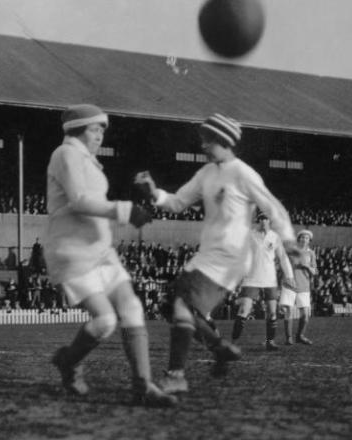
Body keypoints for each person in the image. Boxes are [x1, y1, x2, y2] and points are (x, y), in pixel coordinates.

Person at [133, 113, 298, 394]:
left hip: (230, 257)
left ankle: (176, 375)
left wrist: (289, 240)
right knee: (170, 306)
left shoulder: (243, 173)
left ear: (223, 140)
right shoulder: (206, 174)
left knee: (183, 308)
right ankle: (219, 347)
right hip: (207, 256)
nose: (203, 146)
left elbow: (273, 207)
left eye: (206, 140)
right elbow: (177, 202)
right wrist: (154, 193)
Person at [44, 104, 176, 407]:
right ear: (76, 129)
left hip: (101, 250)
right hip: (72, 252)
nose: (101, 134)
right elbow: (78, 200)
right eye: (95, 128)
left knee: (132, 307)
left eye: (103, 129)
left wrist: (127, 212)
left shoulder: (88, 161)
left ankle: (143, 386)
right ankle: (68, 361)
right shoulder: (65, 155)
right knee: (104, 321)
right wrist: (125, 210)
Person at [232, 213, 295, 350]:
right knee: (244, 309)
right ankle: (233, 342)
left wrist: (289, 276)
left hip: (269, 279)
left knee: (272, 312)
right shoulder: (250, 235)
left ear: (269, 221)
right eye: (260, 219)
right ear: (257, 222)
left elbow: (283, 257)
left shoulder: (275, 237)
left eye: (265, 219)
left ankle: (269, 341)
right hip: (251, 278)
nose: (262, 221)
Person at [278, 229, 317, 345]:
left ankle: (300, 336)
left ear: (309, 240)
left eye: (306, 238)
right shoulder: (291, 251)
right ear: (298, 239)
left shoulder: (311, 253)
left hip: (304, 285)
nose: (304, 239)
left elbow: (314, 272)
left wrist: (306, 266)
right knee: (288, 311)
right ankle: (288, 338)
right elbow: (283, 265)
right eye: (302, 237)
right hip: (289, 284)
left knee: (305, 315)